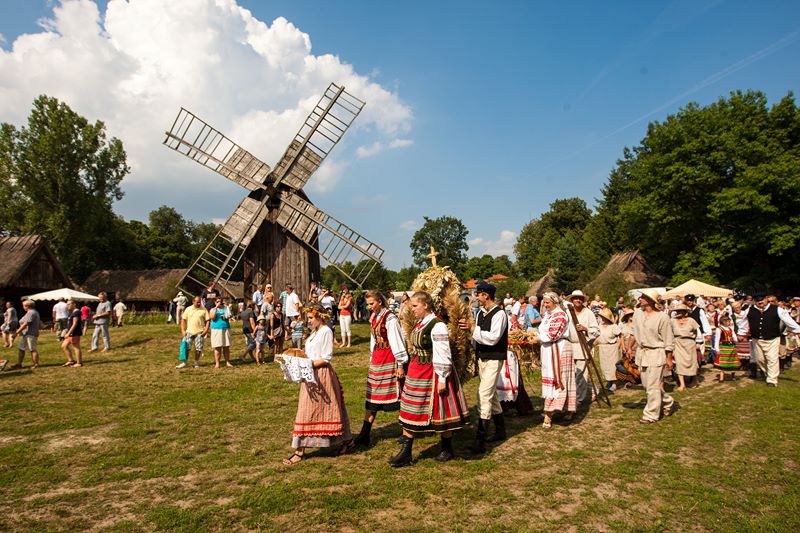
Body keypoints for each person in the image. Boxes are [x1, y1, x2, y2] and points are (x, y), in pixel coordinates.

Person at [390, 291, 468, 466]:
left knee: (441, 410)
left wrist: (442, 378)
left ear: (425, 305)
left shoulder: (437, 325)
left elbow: (443, 353)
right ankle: (406, 452)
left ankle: (447, 449)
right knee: (409, 407)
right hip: (417, 371)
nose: (412, 309)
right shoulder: (421, 323)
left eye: (415, 306)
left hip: (432, 372)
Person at [283, 304, 353, 465]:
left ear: (320, 316)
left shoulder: (326, 331)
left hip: (322, 375)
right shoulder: (314, 332)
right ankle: (301, 449)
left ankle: (301, 451)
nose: (308, 321)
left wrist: (306, 365)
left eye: (310, 318)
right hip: (310, 375)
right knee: (308, 410)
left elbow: (326, 358)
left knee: (326, 410)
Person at [353, 290, 409, 448]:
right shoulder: (376, 317)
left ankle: (407, 433)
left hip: (390, 359)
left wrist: (400, 364)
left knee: (400, 397)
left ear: (379, 301)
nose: (369, 307)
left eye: (372, 303)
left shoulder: (390, 318)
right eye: (368, 304)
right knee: (372, 398)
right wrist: (372, 358)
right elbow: (374, 340)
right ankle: (364, 434)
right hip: (378, 360)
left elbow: (397, 340)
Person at [461, 281, 508, 455]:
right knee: (491, 395)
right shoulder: (481, 312)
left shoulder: (500, 314)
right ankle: (501, 430)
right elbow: (478, 336)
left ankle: (480, 440)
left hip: (494, 359)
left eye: (478, 295)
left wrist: (472, 329)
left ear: (486, 295)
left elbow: (493, 338)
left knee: (484, 395)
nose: (476, 298)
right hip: (482, 358)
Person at [531, 292, 577, 428]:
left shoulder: (560, 315)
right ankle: (558, 409)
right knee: (550, 376)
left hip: (559, 348)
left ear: (555, 302)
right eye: (544, 302)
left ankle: (551, 413)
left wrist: (538, 338)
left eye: (548, 302)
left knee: (559, 378)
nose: (545, 305)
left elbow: (553, 334)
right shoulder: (548, 315)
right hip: (548, 349)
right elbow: (543, 331)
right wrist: (533, 334)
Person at [632, 289, 675, 424]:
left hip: (656, 352)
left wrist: (669, 358)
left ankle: (651, 415)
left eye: (643, 297)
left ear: (651, 300)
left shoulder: (662, 317)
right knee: (647, 386)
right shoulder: (638, 314)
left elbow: (668, 339)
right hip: (642, 353)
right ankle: (668, 401)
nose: (640, 298)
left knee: (652, 386)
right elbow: (634, 331)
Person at [738, 295, 800, 387]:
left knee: (772, 359)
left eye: (762, 299)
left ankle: (772, 380)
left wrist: (798, 330)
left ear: (766, 299)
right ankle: (767, 373)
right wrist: (741, 333)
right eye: (757, 300)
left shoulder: (777, 309)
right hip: (756, 339)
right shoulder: (749, 310)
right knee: (760, 359)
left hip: (773, 339)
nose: (760, 302)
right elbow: (743, 322)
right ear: (754, 301)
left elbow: (788, 321)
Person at [567, 290, 600, 404]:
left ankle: (578, 398)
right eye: (575, 298)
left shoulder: (588, 313)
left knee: (580, 373)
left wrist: (585, 328)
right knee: (576, 372)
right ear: (572, 300)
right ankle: (593, 391)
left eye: (580, 298)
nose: (578, 300)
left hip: (584, 345)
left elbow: (596, 331)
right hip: (571, 345)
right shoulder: (569, 313)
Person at [670, 303, 701, 391]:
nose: (678, 313)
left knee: (692, 362)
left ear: (685, 312)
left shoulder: (691, 321)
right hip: (678, 343)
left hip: (690, 343)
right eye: (677, 311)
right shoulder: (672, 321)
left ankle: (694, 381)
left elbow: (697, 332)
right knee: (679, 363)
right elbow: (670, 332)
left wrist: (697, 342)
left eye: (680, 311)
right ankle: (682, 384)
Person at [178, 296, 209, 369]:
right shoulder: (188, 309)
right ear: (193, 301)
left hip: (200, 333)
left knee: (198, 348)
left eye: (200, 302)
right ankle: (184, 363)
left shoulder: (204, 309)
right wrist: (183, 330)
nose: (199, 303)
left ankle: (196, 362)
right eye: (197, 302)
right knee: (186, 348)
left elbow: (208, 320)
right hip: (189, 332)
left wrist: (205, 331)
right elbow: (183, 320)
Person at [596, 308, 622, 393]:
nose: (603, 318)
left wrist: (619, 345)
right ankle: (608, 381)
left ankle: (614, 383)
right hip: (603, 348)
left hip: (612, 348)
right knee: (605, 365)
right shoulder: (599, 326)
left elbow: (620, 336)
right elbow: (597, 337)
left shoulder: (613, 326)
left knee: (612, 366)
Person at [11, 300, 41, 370]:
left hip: (31, 334)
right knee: (21, 348)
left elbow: (25, 324)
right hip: (26, 334)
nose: (23, 307)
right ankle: (19, 364)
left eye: (23, 306)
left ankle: (36, 364)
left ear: (27, 306)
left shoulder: (31, 313)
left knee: (32, 349)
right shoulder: (31, 312)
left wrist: (16, 333)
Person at [616, 309, 641, 387]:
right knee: (626, 363)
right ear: (626, 316)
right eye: (629, 315)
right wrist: (623, 347)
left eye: (632, 315)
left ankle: (636, 378)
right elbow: (621, 337)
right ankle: (628, 379)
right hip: (625, 345)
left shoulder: (636, 325)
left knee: (635, 363)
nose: (631, 316)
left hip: (635, 345)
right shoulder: (623, 326)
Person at [714, 314, 739, 382]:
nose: (729, 322)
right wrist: (717, 349)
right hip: (724, 347)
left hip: (731, 347)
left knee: (733, 361)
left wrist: (736, 341)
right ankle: (721, 377)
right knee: (723, 362)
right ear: (724, 322)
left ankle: (733, 376)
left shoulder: (730, 329)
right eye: (728, 321)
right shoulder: (719, 329)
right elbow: (717, 339)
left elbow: (734, 336)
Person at [209, 297, 232, 368]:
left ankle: (227, 362)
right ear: (215, 302)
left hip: (225, 328)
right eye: (217, 301)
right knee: (217, 347)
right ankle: (217, 363)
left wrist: (229, 310)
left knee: (226, 346)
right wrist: (216, 307)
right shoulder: (213, 309)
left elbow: (230, 316)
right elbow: (212, 317)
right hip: (216, 329)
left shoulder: (226, 308)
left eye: (220, 301)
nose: (219, 303)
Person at [61, 299, 83, 367]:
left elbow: (74, 324)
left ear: (74, 304)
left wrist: (68, 333)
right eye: (67, 304)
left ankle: (79, 363)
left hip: (74, 333)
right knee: (64, 346)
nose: (67, 305)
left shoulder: (76, 312)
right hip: (70, 333)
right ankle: (70, 361)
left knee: (76, 347)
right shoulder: (72, 312)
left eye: (69, 304)